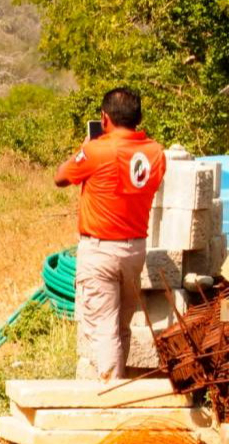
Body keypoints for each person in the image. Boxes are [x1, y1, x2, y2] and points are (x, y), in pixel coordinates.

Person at [54, 87, 165, 381]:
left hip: (100, 251)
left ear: (105, 119)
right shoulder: (156, 153)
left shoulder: (96, 151)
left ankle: (110, 397)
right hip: (134, 250)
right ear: (138, 117)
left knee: (103, 328)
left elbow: (61, 177)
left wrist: (84, 148)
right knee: (120, 327)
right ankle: (119, 384)